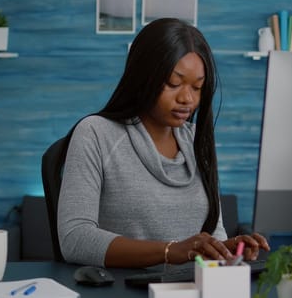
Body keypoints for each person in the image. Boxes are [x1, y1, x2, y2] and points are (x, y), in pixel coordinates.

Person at [57, 18, 270, 268]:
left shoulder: (195, 140)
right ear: (143, 76)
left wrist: (224, 249)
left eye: (197, 87)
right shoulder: (95, 134)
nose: (187, 98)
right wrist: (169, 251)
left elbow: (213, 232)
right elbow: (75, 239)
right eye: (174, 84)